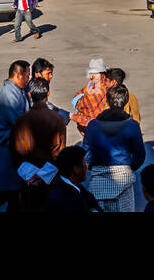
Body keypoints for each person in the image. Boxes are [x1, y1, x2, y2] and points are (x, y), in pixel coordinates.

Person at [84, 84, 145, 212]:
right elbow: (139, 155)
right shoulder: (132, 126)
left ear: (107, 100)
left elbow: (86, 155)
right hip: (124, 180)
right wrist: (129, 166)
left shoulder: (93, 126)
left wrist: (93, 166)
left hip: (97, 182)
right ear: (126, 101)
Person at [12, 77, 67, 211]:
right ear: (48, 94)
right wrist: (43, 175)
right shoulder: (58, 120)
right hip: (50, 178)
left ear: (29, 94)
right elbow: (59, 152)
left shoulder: (20, 121)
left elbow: (16, 152)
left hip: (27, 179)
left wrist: (32, 175)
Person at [0, 60, 31, 212]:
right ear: (19, 75)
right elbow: (18, 123)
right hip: (9, 149)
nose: (28, 79)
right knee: (11, 192)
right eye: (27, 75)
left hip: (13, 148)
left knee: (10, 193)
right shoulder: (8, 94)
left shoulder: (17, 91)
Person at [43, 146, 101, 213]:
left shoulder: (80, 190)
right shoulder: (61, 198)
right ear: (76, 169)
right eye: (85, 163)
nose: (87, 167)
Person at [70, 58, 109, 134]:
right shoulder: (91, 84)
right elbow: (80, 94)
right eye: (91, 74)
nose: (92, 77)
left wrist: (78, 100)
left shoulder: (101, 89)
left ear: (102, 74)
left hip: (94, 124)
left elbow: (83, 104)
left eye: (95, 74)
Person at [31, 58, 69, 122]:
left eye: (51, 73)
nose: (51, 76)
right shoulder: (33, 88)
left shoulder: (39, 85)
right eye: (48, 73)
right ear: (37, 74)